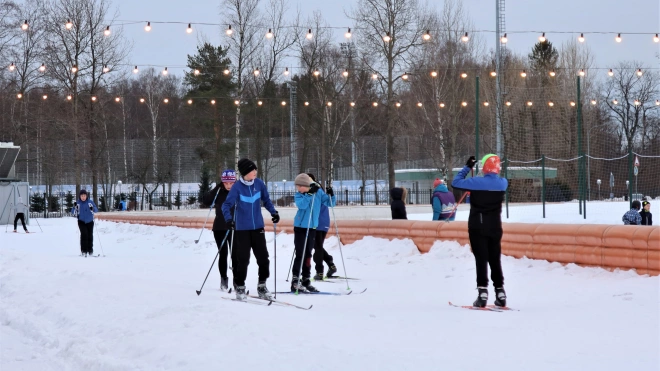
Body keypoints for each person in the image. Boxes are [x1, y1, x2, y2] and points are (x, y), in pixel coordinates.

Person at [452, 154, 508, 308]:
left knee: (481, 258)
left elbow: (456, 182)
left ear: (484, 167)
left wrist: (468, 167)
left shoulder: (476, 182)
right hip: (495, 226)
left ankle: (482, 293)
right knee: (495, 258)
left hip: (477, 225)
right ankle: (500, 292)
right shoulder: (503, 183)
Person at [222, 158, 279, 301]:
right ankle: (240, 287)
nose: (255, 172)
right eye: (253, 170)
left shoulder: (259, 183)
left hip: (258, 228)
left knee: (263, 259)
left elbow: (266, 200)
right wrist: (229, 220)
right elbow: (226, 205)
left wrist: (274, 212)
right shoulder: (237, 187)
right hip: (242, 229)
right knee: (243, 260)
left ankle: (262, 286)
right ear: (246, 172)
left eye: (255, 170)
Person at [290, 173, 335, 293]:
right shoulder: (299, 195)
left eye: (300, 186)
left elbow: (330, 203)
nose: (298, 188)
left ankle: (306, 280)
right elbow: (302, 206)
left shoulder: (318, 192)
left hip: (312, 227)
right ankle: (295, 280)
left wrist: (331, 194)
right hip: (300, 227)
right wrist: (309, 194)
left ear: (305, 185)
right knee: (301, 253)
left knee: (308, 255)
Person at [203, 169, 236, 291]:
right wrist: (217, 188)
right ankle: (223, 279)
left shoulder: (237, 192)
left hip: (234, 227)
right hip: (220, 228)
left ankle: (238, 281)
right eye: (226, 183)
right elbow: (206, 201)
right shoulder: (218, 192)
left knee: (236, 255)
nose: (228, 185)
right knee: (223, 254)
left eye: (231, 183)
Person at [306, 173, 338, 281]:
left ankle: (320, 271)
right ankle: (330, 263)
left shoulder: (316, 191)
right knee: (318, 246)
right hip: (322, 222)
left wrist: (332, 194)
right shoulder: (317, 190)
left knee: (317, 247)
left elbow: (330, 203)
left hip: (317, 223)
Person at [72, 189, 98, 257]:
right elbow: (73, 212)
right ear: (80, 196)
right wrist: (75, 208)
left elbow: (96, 209)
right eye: (82, 196)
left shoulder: (90, 202)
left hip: (89, 221)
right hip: (81, 221)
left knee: (90, 235)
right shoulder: (78, 203)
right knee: (84, 234)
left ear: (86, 196)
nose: (83, 197)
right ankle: (84, 250)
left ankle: (90, 250)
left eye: (84, 196)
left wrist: (93, 209)